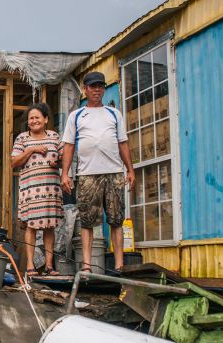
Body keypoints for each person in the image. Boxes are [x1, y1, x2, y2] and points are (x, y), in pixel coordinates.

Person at [60, 71, 136, 273]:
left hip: (114, 173)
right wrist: (65, 173)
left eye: (100, 86)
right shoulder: (76, 116)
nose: (97, 90)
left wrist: (130, 169)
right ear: (85, 89)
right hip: (87, 174)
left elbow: (123, 142)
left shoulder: (114, 113)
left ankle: (120, 265)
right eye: (93, 86)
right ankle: (86, 266)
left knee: (116, 219)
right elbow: (68, 146)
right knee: (87, 221)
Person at [10, 102, 63, 277]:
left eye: (37, 117)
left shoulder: (54, 137)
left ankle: (49, 266)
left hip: (50, 189)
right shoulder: (22, 139)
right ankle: (31, 266)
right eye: (31, 118)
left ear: (46, 119)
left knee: (50, 227)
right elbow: (14, 162)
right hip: (30, 190)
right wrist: (31, 149)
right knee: (31, 227)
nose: (33, 121)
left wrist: (59, 163)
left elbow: (64, 158)